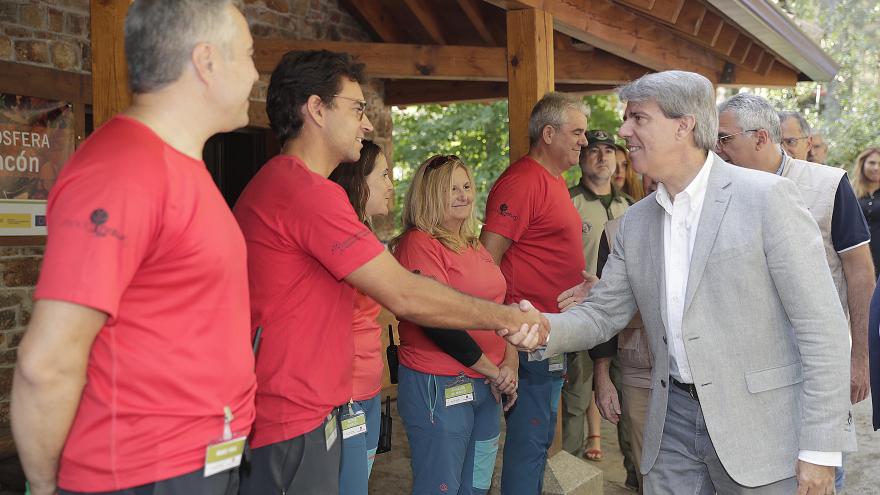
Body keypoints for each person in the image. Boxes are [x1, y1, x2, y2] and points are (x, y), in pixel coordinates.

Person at [505, 70, 855, 494]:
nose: (624, 131)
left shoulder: (769, 199)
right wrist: (544, 327)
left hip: (762, 435)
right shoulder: (634, 223)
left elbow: (824, 329)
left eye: (638, 118)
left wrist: (820, 449)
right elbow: (603, 314)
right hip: (670, 429)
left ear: (684, 124)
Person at [233, 50, 542, 495]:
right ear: (317, 109)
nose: (367, 124)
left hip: (306, 409)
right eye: (357, 109)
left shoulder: (293, 185)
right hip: (291, 415)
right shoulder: (305, 191)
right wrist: (511, 319)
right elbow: (406, 295)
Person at [11, 2, 260, 494]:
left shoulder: (181, 165)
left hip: (204, 456)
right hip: (145, 470)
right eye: (250, 54)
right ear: (207, 62)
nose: (255, 73)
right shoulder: (123, 171)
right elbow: (47, 362)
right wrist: (43, 487)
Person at [717, 92, 874, 492]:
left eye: (725, 139)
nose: (717, 150)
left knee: (817, 477)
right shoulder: (719, 189)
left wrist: (860, 357)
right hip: (744, 372)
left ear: (759, 138)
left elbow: (859, 273)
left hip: (813, 365)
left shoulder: (827, 184)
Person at [480, 91, 588, 495]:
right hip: (525, 338)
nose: (584, 141)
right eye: (576, 132)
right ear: (548, 133)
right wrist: (505, 330)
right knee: (530, 441)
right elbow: (487, 261)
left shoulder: (554, 181)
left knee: (539, 439)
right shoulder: (523, 180)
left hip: (550, 334)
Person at [392, 154, 519, 495]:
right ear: (431, 194)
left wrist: (511, 362)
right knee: (441, 487)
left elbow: (498, 309)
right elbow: (438, 322)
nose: (464, 195)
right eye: (452, 189)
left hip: (489, 386)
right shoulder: (418, 243)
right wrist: (495, 372)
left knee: (477, 485)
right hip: (441, 383)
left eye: (467, 187)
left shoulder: (475, 245)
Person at [562, 129, 633, 464]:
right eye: (594, 150)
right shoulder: (567, 202)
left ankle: (635, 477)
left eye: (609, 150)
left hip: (625, 322)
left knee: (629, 401)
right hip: (582, 317)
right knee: (576, 400)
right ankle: (574, 475)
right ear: (580, 156)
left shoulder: (631, 207)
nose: (603, 157)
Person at [328, 140, 393, 495]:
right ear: (358, 182)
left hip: (368, 388)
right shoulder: (341, 239)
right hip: (345, 393)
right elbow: (404, 295)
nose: (390, 184)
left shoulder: (365, 236)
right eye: (383, 174)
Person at [852, 147, 880, 276]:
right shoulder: (851, 190)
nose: (876, 168)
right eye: (872, 163)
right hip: (856, 255)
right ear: (863, 164)